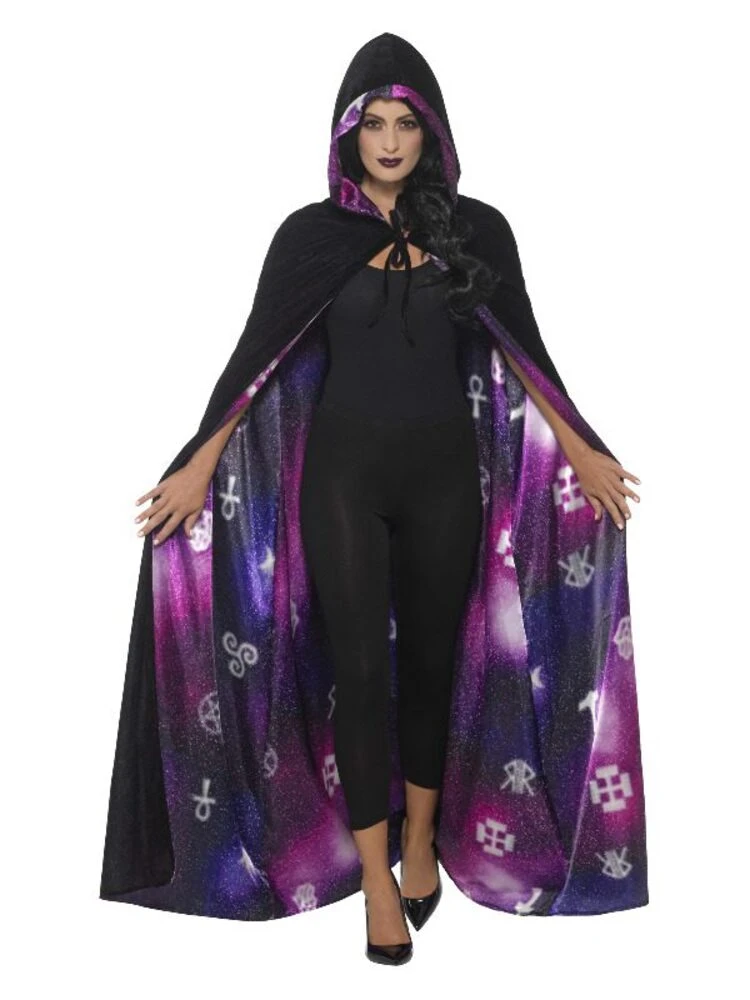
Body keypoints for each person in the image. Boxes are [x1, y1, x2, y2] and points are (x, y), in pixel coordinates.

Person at [101, 33, 648, 964]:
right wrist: (200, 459)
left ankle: (421, 842)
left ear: (431, 133)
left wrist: (583, 448)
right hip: (343, 485)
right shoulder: (309, 238)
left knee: (433, 666)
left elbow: (527, 351)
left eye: (406, 124)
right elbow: (254, 359)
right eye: (373, 124)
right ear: (346, 134)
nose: (389, 142)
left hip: (446, 484)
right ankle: (375, 885)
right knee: (358, 673)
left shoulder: (478, 231)